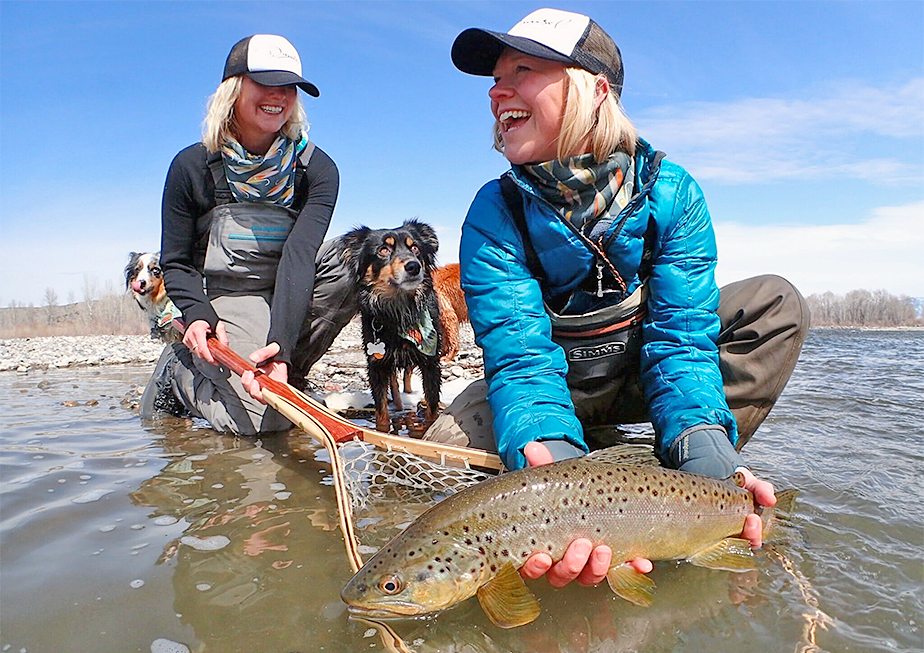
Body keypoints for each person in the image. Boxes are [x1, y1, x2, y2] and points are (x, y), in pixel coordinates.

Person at [424, 9, 810, 588]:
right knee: (443, 456)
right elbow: (521, 357)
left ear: (596, 92)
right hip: (556, 387)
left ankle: (684, 463)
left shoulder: (672, 192)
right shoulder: (493, 213)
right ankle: (608, 473)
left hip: (642, 377)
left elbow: (681, 340)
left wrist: (711, 462)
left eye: (523, 70)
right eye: (495, 79)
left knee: (777, 303)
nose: (497, 91)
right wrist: (558, 484)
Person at [141, 34, 353, 435]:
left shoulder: (319, 170)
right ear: (233, 89)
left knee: (358, 260)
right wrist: (198, 314)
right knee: (263, 423)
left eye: (288, 86)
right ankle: (180, 371)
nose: (279, 96)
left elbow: (300, 255)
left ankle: (286, 367)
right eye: (265, 83)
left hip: (291, 282)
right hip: (232, 292)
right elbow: (177, 262)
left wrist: (282, 347)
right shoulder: (191, 167)